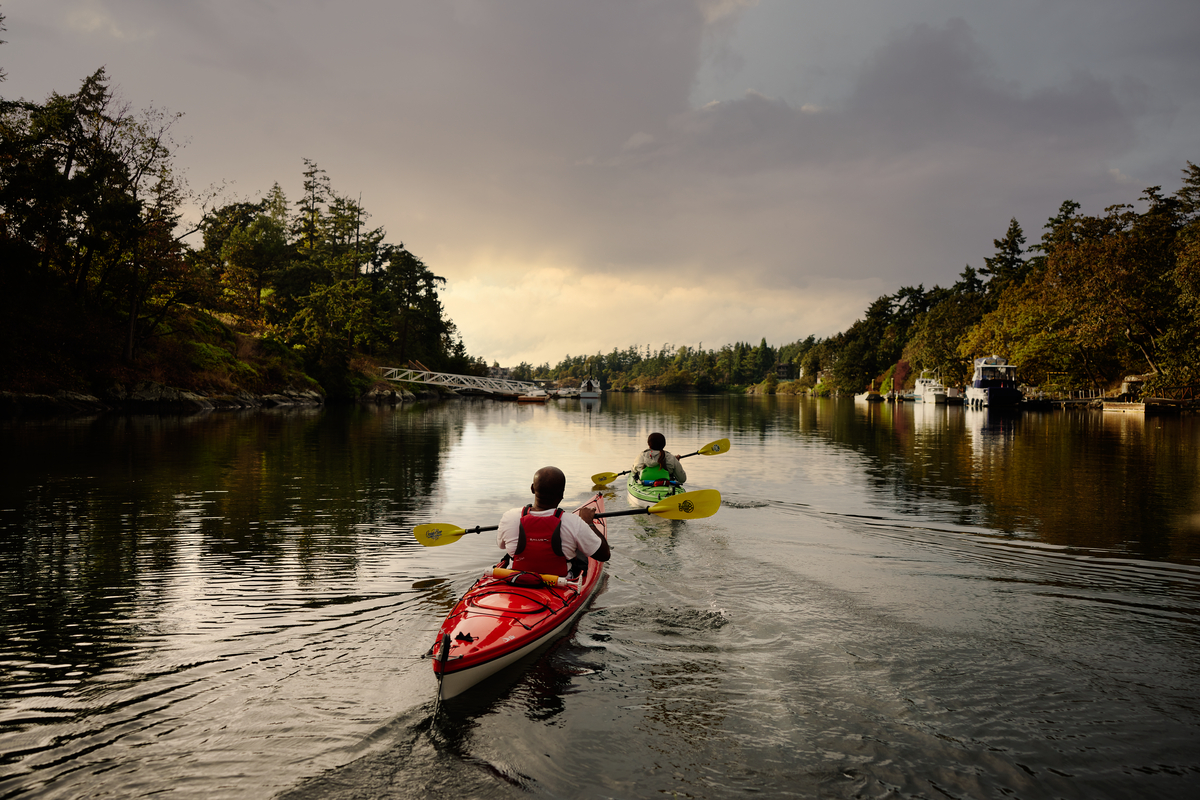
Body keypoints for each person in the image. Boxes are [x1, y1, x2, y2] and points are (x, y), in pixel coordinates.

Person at [497, 466, 610, 577]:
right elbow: (604, 555)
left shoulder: (509, 517)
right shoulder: (575, 523)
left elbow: (501, 545)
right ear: (562, 494)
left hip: (515, 578)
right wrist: (588, 523)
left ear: (532, 488)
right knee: (579, 550)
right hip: (559, 584)